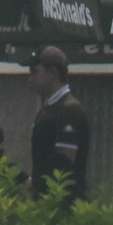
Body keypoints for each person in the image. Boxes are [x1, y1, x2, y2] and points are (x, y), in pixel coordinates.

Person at [28, 45, 92, 202]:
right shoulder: (48, 109)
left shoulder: (70, 110)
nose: (31, 79)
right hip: (47, 201)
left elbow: (64, 162)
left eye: (35, 72)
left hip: (63, 203)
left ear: (52, 73)